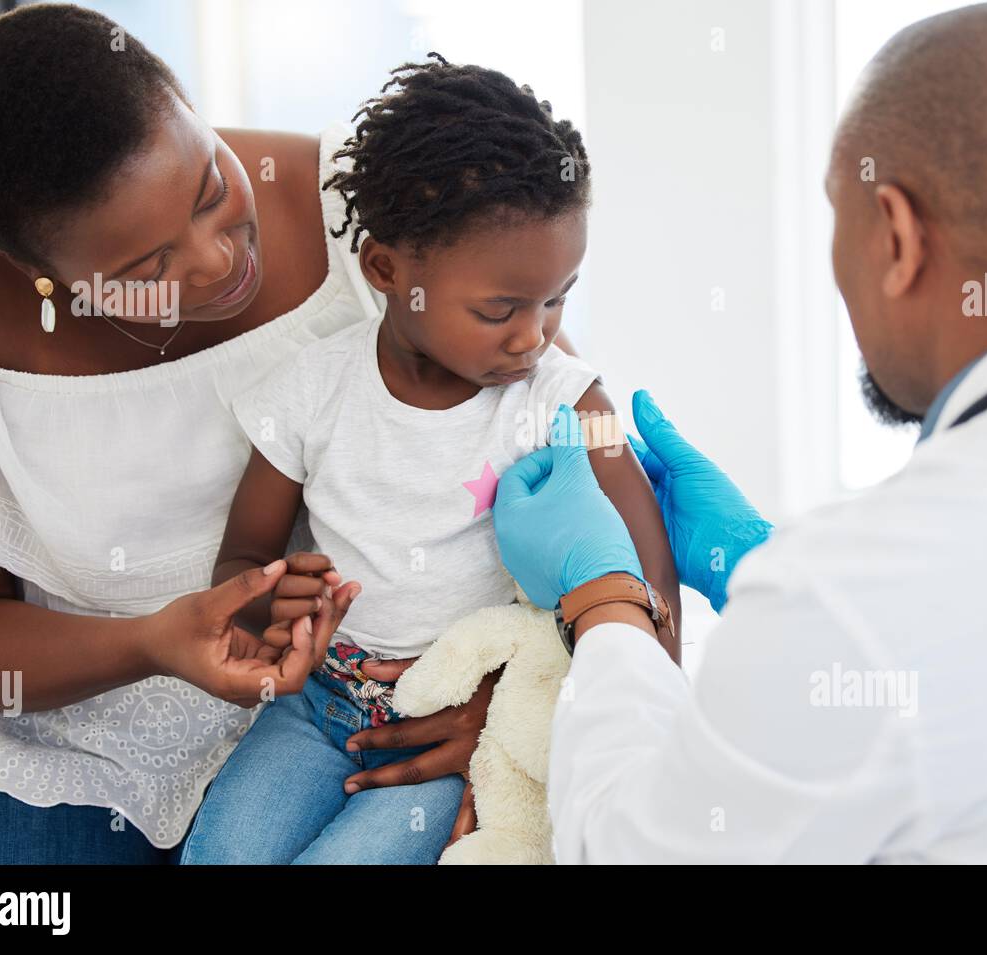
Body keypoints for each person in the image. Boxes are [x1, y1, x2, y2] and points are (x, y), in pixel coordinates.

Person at [491, 2, 987, 863]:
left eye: (839, 219)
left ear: (898, 235)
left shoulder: (851, 598)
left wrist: (604, 596)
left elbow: (626, 848)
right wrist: (762, 563)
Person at [0, 4, 572, 863]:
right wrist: (150, 642)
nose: (217, 260)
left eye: (211, 190)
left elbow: (567, 457)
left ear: (189, 103)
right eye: (145, 269)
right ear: (43, 278)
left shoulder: (367, 207)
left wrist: (513, 689)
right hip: (81, 743)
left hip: (380, 693)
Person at [177, 54, 679, 864]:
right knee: (224, 856)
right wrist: (276, 602)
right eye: (499, 309)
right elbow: (240, 560)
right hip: (316, 705)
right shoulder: (313, 388)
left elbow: (648, 589)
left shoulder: (564, 403)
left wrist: (556, 721)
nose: (536, 333)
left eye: (558, 297)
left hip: (458, 715)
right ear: (385, 270)